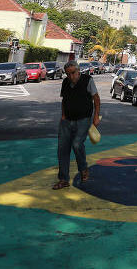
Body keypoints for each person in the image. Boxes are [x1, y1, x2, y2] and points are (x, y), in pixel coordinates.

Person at [53, 61, 101, 189]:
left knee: (77, 144)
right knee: (62, 148)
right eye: (68, 74)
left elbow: (96, 98)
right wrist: (63, 116)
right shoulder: (65, 82)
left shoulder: (88, 80)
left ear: (78, 71)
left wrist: (96, 116)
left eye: (73, 73)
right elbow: (64, 100)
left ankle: (83, 169)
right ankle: (63, 179)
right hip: (67, 120)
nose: (71, 76)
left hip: (83, 119)